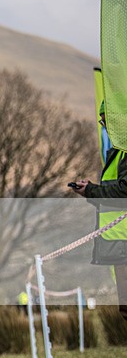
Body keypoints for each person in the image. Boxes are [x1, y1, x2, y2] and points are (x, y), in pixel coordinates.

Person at [71, 102, 127, 322]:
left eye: (106, 118)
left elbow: (124, 192)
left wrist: (92, 191)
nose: (102, 123)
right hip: (119, 241)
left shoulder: (124, 152)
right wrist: (90, 193)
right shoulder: (118, 152)